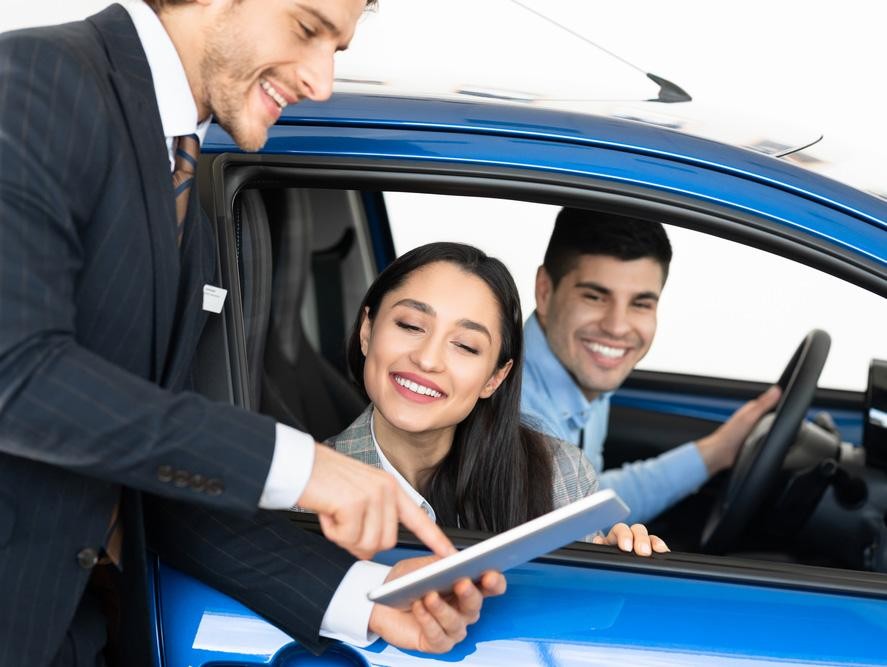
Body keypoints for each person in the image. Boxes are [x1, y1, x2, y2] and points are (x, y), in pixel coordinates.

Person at [0, 2, 502, 665]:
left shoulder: (189, 187)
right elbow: (19, 374)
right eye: (305, 28)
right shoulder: (36, 81)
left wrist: (363, 595)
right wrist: (301, 466)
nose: (320, 80)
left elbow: (154, 473)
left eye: (337, 49)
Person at [328, 241, 669, 556]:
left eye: (465, 345)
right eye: (411, 325)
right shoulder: (305, 489)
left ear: (494, 378)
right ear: (367, 331)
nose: (428, 359)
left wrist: (610, 566)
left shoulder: (560, 475)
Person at [521, 207, 782, 525]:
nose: (617, 327)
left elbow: (588, 501)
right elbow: (574, 529)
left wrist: (716, 452)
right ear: (545, 292)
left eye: (641, 304)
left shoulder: (579, 377)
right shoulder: (523, 422)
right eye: (595, 297)